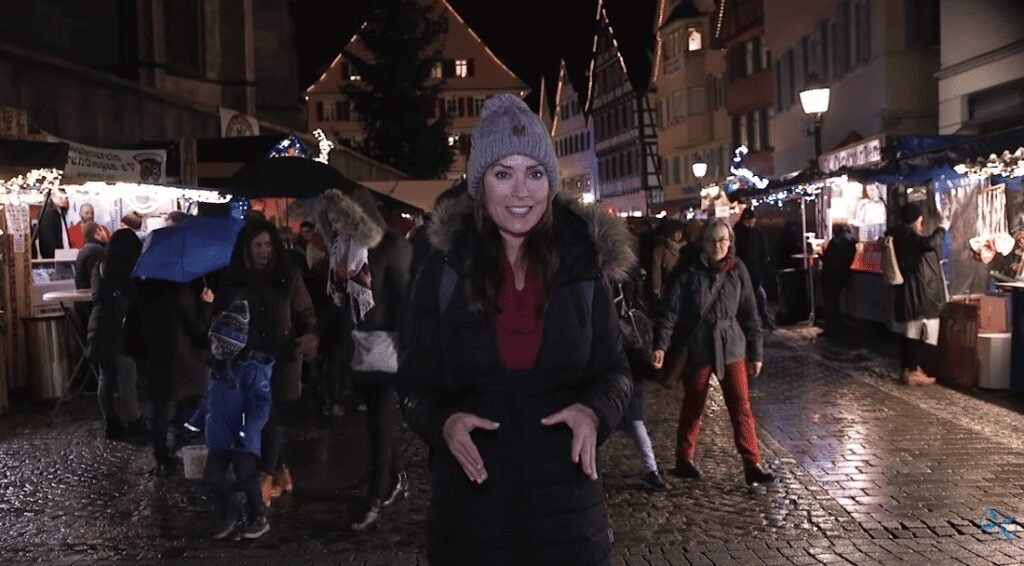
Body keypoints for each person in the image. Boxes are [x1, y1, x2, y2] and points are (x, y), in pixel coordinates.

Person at [399, 94, 633, 565]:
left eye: (535, 172)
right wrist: (443, 423)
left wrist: (596, 412)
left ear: (551, 181)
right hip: (470, 517)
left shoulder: (585, 265)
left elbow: (617, 373)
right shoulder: (442, 269)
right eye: (503, 174)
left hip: (569, 516)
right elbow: (413, 386)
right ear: (479, 184)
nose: (521, 192)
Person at [316, 185, 413, 530]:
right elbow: (337, 301)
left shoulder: (390, 247)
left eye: (340, 217)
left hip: (387, 346)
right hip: (358, 345)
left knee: (380, 420)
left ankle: (376, 495)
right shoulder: (342, 250)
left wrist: (408, 348)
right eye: (329, 219)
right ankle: (392, 476)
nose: (335, 225)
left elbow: (405, 299)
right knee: (373, 418)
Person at [651, 219, 774, 486]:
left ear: (730, 242)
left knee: (740, 406)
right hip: (698, 349)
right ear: (702, 243)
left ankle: (752, 463)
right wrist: (661, 345)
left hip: (732, 347)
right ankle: (684, 459)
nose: (718, 245)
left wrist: (757, 353)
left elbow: (750, 314)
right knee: (694, 404)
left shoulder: (737, 270)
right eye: (712, 240)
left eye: (722, 240)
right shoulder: (688, 270)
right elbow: (669, 312)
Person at [216, 220, 318, 506]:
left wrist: (310, 335)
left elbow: (304, 311)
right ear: (247, 248)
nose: (264, 251)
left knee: (268, 416)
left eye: (268, 244)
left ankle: (266, 475)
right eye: (258, 245)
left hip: (281, 358)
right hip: (246, 358)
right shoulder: (232, 280)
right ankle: (281, 470)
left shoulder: (288, 275)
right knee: (261, 417)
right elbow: (222, 316)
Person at [187, 300, 274, 541]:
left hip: (241, 440)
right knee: (212, 480)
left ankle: (258, 517)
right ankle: (229, 514)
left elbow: (260, 405)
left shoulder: (251, 371)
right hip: (219, 438)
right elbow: (209, 403)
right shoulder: (216, 370)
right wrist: (193, 424)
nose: (212, 346)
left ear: (229, 346)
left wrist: (247, 431)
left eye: (216, 342)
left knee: (246, 479)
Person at [87, 228, 147, 440]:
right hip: (120, 326)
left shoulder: (100, 264)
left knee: (106, 376)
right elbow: (133, 298)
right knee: (127, 373)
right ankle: (134, 421)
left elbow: (96, 295)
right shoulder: (128, 268)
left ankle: (111, 422)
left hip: (99, 323)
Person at [888, 202, 949, 386]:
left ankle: (906, 369)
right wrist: (942, 229)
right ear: (918, 220)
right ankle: (913, 371)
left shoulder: (897, 234)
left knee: (909, 333)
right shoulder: (909, 237)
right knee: (916, 333)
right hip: (916, 295)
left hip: (907, 292)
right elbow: (929, 243)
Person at [734, 208, 774, 329]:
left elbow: (764, 251)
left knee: (759, 295)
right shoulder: (737, 233)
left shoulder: (758, 233)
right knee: (749, 296)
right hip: (741, 271)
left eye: (752, 220)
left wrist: (763, 262)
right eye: (748, 220)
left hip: (755, 271)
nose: (750, 223)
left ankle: (762, 318)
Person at [820, 223, 857, 340]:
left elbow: (829, 259)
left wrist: (821, 255)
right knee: (836, 303)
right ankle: (837, 329)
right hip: (843, 275)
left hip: (831, 275)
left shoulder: (835, 242)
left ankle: (832, 330)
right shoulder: (852, 240)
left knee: (830, 304)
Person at [73, 221, 108, 327]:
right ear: (98, 232)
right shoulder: (96, 250)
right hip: (91, 305)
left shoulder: (85, 249)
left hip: (83, 304)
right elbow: (101, 277)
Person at [650, 220, 684, 301]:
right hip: (667, 286)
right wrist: (656, 288)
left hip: (682, 285)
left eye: (680, 232)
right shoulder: (661, 249)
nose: (679, 235)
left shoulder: (685, 248)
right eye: (676, 232)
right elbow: (656, 268)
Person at [35, 189, 70, 259]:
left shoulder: (60, 211)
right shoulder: (48, 213)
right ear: (53, 195)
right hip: (55, 257)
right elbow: (47, 240)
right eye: (61, 197)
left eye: (66, 197)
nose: (64, 199)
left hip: (63, 254)